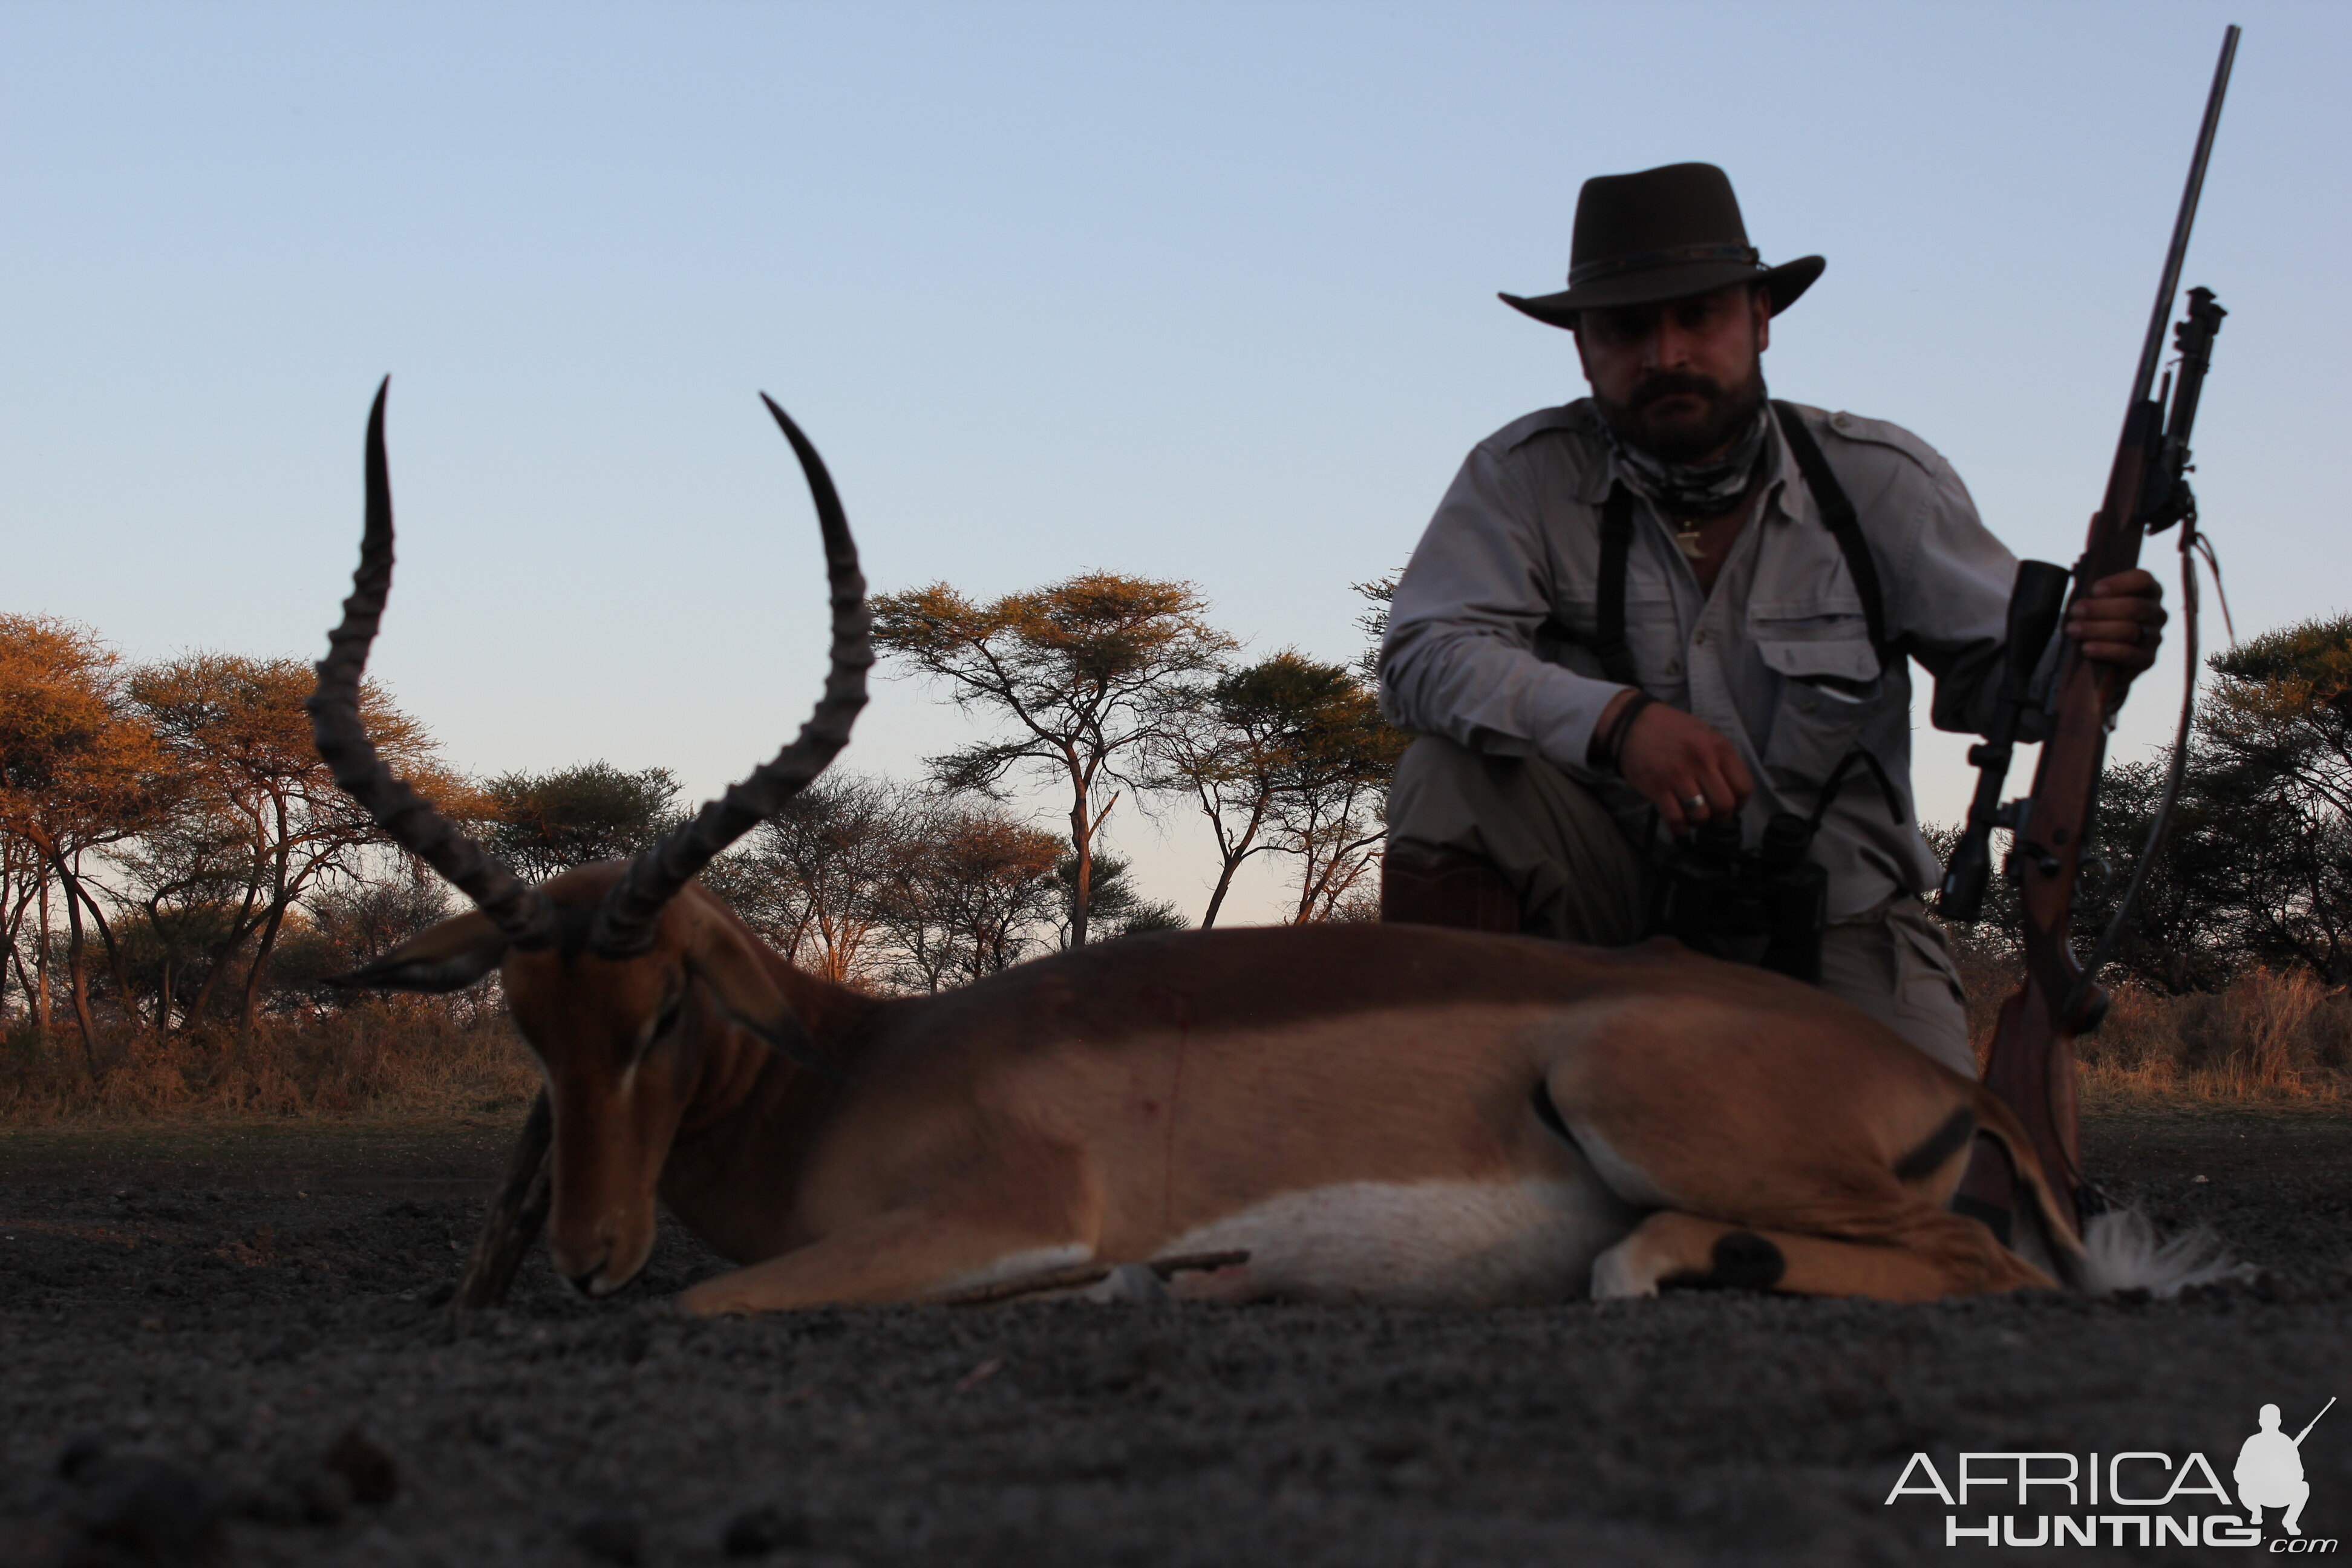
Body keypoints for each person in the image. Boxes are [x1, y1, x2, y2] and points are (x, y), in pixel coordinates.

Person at [1376, 163, 2166, 1075]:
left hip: (1839, 924)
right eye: (1627, 327)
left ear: (1759, 318)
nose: (1665, 353)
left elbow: (2007, 689)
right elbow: (1422, 656)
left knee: (1946, 1191)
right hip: (1620, 904)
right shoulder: (1521, 475)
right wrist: (1616, 724)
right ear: (1583, 348)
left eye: (1697, 316)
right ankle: (1456, 1107)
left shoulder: (1881, 482)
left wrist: (2098, 655)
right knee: (1448, 775)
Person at [2235, 1403, 2313, 1535]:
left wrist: (2283, 1471)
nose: (2269, 1423)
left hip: (2281, 1493)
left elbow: (2300, 1474)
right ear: (2260, 1422)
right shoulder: (2252, 1442)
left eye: (2272, 1420)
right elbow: (2239, 1473)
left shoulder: (2287, 1443)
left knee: (2304, 1487)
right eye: (2267, 1420)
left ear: (2279, 1422)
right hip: (2257, 1493)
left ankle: (2290, 1521)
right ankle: (2256, 1511)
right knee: (2243, 1487)